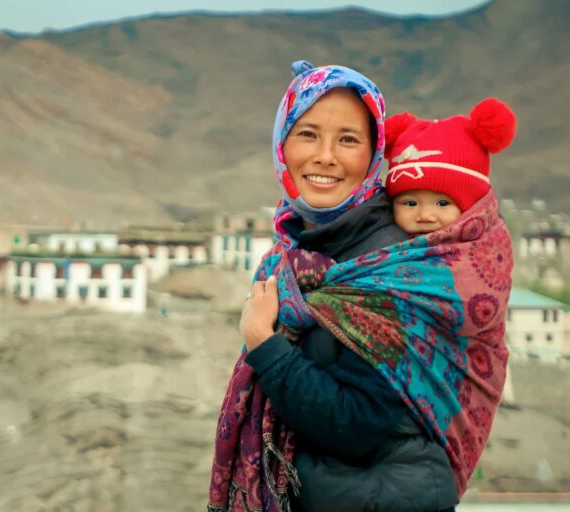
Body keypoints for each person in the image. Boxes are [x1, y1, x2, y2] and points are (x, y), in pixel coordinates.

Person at [209, 63, 514, 512]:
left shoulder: (393, 265)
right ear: (281, 144)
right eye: (307, 134)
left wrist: (264, 344)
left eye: (348, 139)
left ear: (375, 153)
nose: (325, 155)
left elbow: (357, 425)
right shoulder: (295, 252)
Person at [384, 98, 516, 238]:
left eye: (442, 203)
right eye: (410, 203)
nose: (425, 216)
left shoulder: (488, 253)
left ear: (474, 208)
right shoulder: (378, 249)